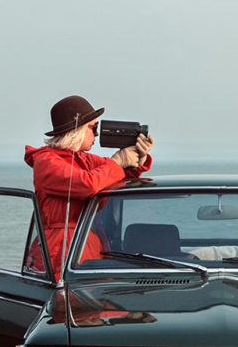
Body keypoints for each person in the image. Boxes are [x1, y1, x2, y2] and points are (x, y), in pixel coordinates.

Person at [24, 95, 153, 280]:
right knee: (67, 303)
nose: (97, 134)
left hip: (86, 243)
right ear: (77, 130)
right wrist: (118, 161)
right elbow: (87, 184)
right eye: (93, 128)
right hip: (60, 250)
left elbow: (120, 176)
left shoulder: (83, 159)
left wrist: (138, 158)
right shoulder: (46, 161)